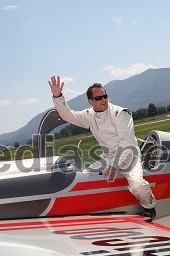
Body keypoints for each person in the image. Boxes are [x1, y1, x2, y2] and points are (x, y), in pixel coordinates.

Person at [48, 76, 156, 220]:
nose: (104, 100)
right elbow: (68, 116)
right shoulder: (89, 116)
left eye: (105, 96)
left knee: (137, 185)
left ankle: (149, 206)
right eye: (99, 98)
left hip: (130, 156)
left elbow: (126, 143)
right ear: (90, 101)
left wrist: (114, 165)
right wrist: (58, 96)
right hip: (109, 157)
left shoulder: (121, 113)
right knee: (84, 177)